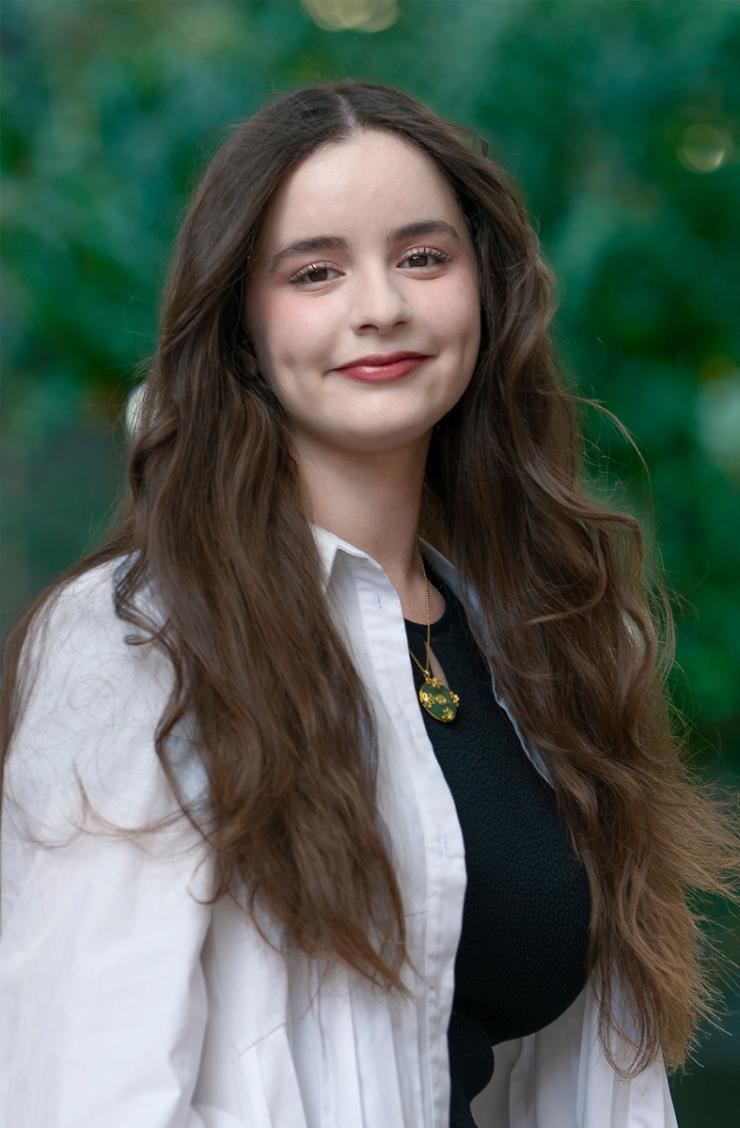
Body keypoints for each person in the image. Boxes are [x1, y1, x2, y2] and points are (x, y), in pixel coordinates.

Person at [1, 79, 738, 1128]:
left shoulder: (537, 642)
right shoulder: (141, 640)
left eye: (422, 257)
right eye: (315, 271)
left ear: (484, 291)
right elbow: (81, 1093)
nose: (380, 305)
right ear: (241, 326)